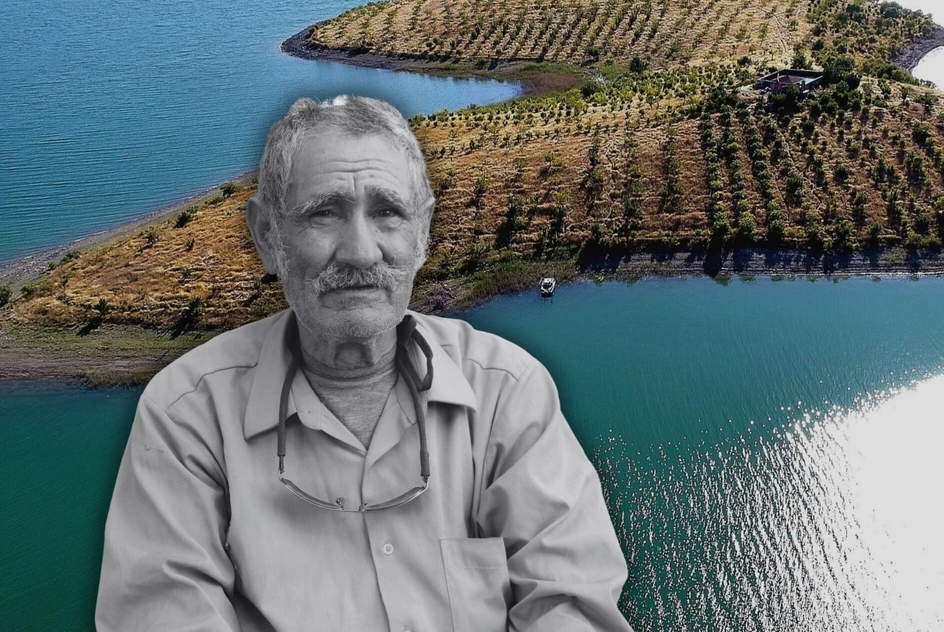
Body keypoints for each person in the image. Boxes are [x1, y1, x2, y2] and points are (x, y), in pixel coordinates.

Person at [96, 95, 633, 632]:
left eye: (387, 212)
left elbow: (572, 609)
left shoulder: (507, 396)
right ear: (267, 236)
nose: (360, 251)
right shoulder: (186, 419)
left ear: (422, 234)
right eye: (323, 213)